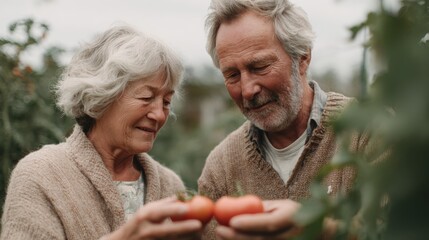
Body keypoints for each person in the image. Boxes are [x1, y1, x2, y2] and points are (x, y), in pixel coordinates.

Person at [0, 25, 203, 240]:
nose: (159, 115)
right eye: (146, 97)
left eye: (166, 102)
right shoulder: (40, 176)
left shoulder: (170, 185)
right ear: (100, 96)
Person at [198, 0, 367, 239]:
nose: (247, 90)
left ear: (302, 57)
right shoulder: (221, 169)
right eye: (232, 75)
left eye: (259, 67)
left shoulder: (366, 133)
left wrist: (317, 230)